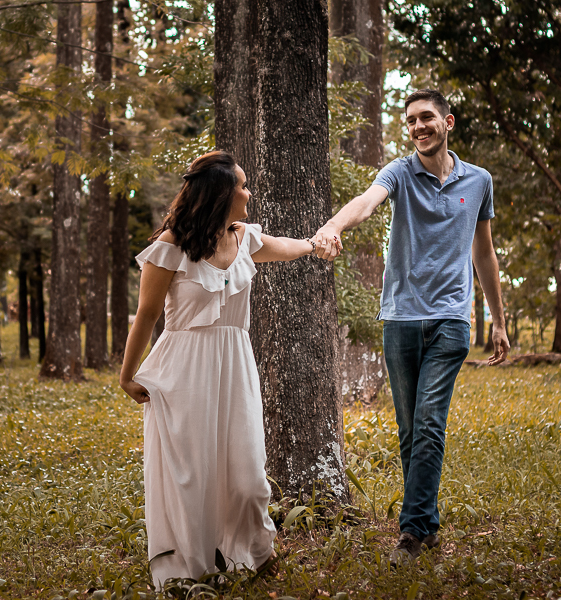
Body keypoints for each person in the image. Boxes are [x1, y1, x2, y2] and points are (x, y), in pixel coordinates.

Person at [311, 89, 510, 565]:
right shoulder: (399, 172)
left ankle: (411, 534)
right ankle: (428, 521)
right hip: (400, 317)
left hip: (449, 319)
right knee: (409, 430)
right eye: (411, 121)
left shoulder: (478, 181)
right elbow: (366, 201)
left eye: (427, 118)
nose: (419, 127)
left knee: (428, 423)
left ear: (448, 121)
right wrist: (333, 227)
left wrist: (498, 320)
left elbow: (483, 253)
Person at [119, 150, 321, 589]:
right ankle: (192, 573)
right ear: (220, 194)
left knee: (247, 473)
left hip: (235, 364)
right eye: (242, 186)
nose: (248, 193)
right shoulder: (170, 247)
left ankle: (254, 551)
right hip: (185, 370)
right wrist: (126, 374)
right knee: (193, 475)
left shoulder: (244, 237)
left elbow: (285, 248)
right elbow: (146, 315)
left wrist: (315, 243)